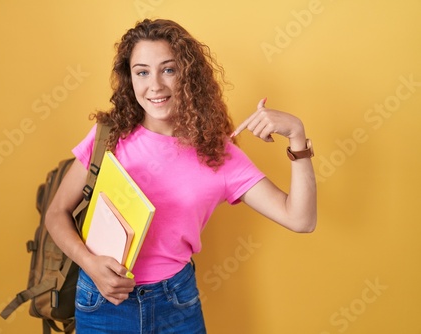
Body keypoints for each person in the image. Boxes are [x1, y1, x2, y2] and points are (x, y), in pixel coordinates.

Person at [45, 18, 317, 334]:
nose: (155, 85)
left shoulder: (218, 153)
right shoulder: (109, 136)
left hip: (176, 303)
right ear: (129, 78)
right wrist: (90, 264)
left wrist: (297, 136)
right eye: (142, 72)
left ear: (188, 76)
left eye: (168, 70)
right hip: (104, 301)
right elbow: (56, 213)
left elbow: (301, 219)